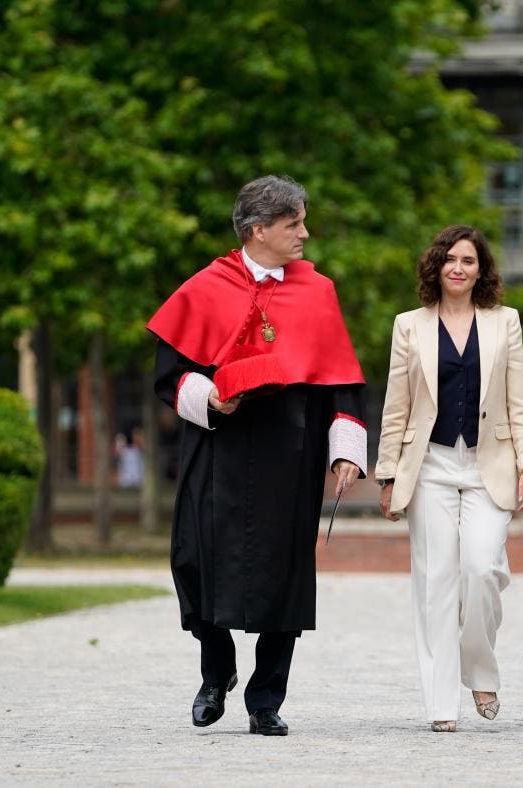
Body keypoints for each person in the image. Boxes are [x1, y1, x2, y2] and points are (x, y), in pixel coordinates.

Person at [147, 175, 367, 737]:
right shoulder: (203, 287)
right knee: (196, 561)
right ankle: (215, 673)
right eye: (294, 224)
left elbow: (340, 382)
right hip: (216, 446)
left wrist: (345, 452)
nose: (305, 233)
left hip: (291, 450)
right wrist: (212, 398)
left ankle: (266, 699)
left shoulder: (317, 291)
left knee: (285, 574)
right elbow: (169, 379)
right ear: (258, 229)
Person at [375, 224, 523, 733]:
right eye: (449, 259)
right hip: (429, 465)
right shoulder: (409, 325)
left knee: (481, 569)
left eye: (468, 260)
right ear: (436, 266)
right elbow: (396, 405)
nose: (458, 267)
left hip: (489, 464)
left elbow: (518, 398)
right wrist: (387, 474)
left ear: (480, 269)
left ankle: (480, 667)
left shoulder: (504, 322)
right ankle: (440, 704)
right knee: (436, 585)